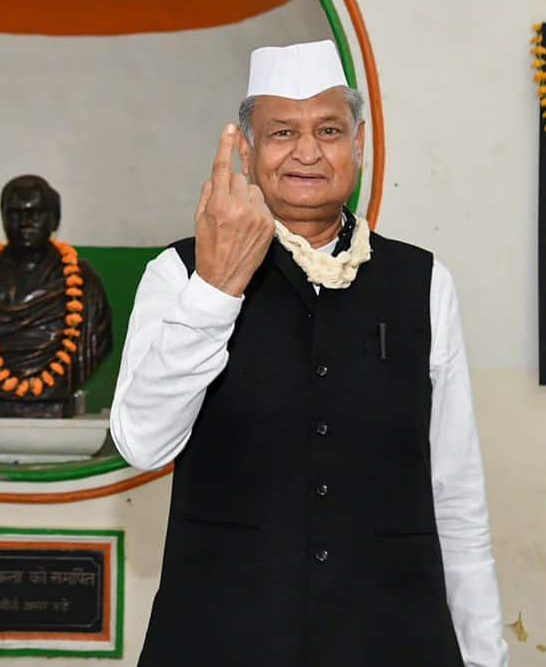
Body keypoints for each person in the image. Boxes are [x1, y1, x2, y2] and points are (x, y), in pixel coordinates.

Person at [110, 41, 508, 666]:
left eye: (328, 129)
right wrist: (215, 291)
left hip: (392, 638)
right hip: (222, 637)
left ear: (359, 142)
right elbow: (142, 441)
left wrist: (485, 653)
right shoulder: (179, 273)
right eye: (281, 132)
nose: (306, 151)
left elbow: (455, 492)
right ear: (246, 149)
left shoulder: (422, 283)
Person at [0, 174, 112, 417]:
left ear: (54, 219)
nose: (25, 222)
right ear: (3, 217)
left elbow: (97, 343)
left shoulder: (85, 284)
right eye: (15, 213)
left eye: (36, 213)